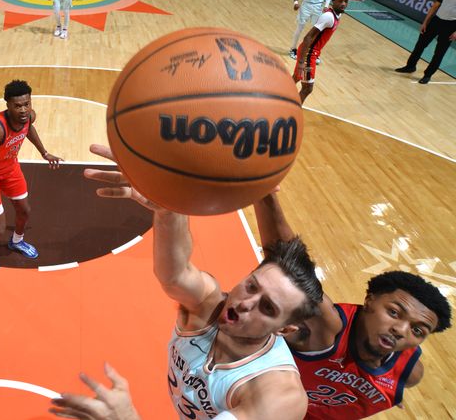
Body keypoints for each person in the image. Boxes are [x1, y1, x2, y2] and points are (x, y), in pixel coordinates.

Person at [51, 144, 324, 419]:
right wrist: (168, 206)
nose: (245, 303)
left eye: (267, 307)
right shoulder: (209, 307)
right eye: (252, 286)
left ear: (285, 329)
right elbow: (176, 274)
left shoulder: (276, 397)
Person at [253, 190, 451, 419]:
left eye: (417, 330)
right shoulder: (326, 327)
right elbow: (287, 261)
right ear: (369, 300)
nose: (401, 330)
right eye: (394, 312)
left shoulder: (409, 374)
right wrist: (264, 193)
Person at [0, 80, 63, 273]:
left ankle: (17, 241)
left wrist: (44, 153)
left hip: (11, 169)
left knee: (24, 210)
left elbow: (29, 129)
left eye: (26, 104)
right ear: (7, 105)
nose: (23, 110)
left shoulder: (29, 117)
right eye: (17, 106)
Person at [293, 0, 350, 104]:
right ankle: (294, 114)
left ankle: (275, 95)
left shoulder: (337, 15)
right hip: (308, 55)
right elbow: (308, 38)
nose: (343, 4)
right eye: (340, 1)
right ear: (333, 1)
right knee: (307, 88)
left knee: (297, 77)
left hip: (310, 53)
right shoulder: (328, 17)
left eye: (346, 1)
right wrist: (301, 62)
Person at [394, 0, 456, 84]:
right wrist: (425, 22)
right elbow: (435, 6)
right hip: (436, 21)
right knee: (420, 45)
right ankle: (410, 66)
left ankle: (428, 75)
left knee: (439, 53)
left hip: (451, 25)